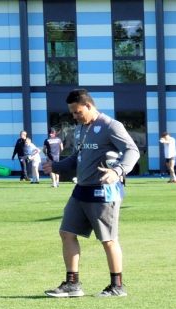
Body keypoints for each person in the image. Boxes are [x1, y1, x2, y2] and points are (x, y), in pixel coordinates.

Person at [42, 89, 140, 298]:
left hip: (104, 192)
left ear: (88, 105)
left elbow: (133, 150)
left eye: (77, 112)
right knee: (66, 232)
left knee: (108, 240)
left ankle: (117, 286)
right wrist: (56, 166)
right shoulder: (81, 129)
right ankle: (72, 284)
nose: (75, 116)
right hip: (81, 190)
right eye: (73, 113)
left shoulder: (111, 126)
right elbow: (78, 157)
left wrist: (117, 171)